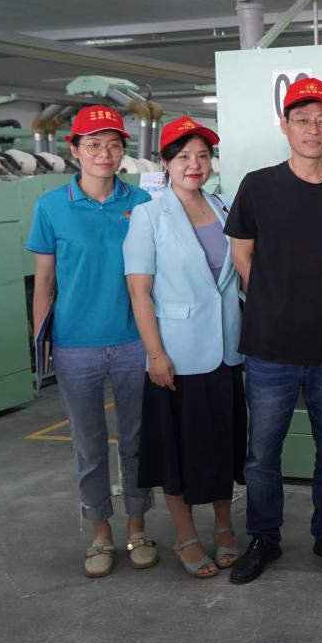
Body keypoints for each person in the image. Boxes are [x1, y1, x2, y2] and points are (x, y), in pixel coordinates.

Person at [224, 78, 322, 584]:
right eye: (302, 120)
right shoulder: (258, 186)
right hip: (269, 347)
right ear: (284, 126)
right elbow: (242, 254)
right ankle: (263, 538)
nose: (313, 129)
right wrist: (275, 302)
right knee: (262, 453)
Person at [26, 104, 157, 578]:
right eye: (94, 144)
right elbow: (44, 282)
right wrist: (41, 340)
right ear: (75, 150)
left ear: (123, 151)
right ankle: (100, 531)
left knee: (137, 440)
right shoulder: (51, 207)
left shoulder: (142, 202)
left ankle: (137, 527)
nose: (105, 153)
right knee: (89, 443)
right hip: (75, 344)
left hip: (134, 340)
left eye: (114, 144)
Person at [124, 118, 245, 579]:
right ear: (165, 163)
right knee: (177, 449)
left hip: (227, 348)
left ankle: (224, 527)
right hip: (177, 353)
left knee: (222, 444)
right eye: (183, 157)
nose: (194, 165)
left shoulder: (225, 206)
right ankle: (186, 535)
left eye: (202, 156)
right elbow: (139, 291)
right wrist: (155, 354)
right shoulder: (149, 215)